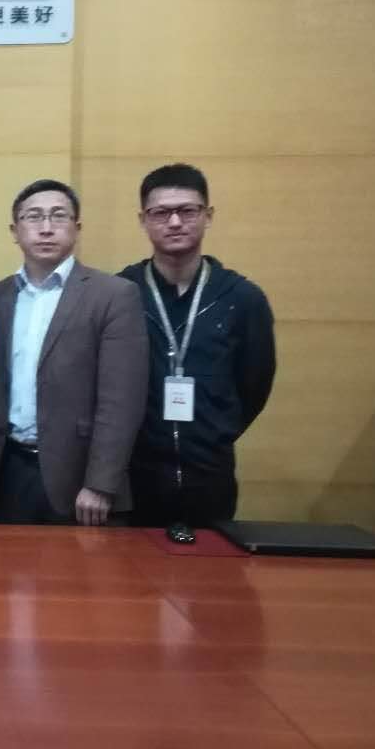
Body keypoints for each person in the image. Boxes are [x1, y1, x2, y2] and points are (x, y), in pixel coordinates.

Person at [0, 179, 148, 526]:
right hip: (8, 471)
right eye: (33, 217)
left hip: (79, 477)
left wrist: (101, 483)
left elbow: (122, 402)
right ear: (15, 231)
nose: (46, 228)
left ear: (77, 228)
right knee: (6, 561)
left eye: (58, 216)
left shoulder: (114, 296)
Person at [120, 163, 276, 528]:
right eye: (161, 213)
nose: (175, 222)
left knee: (207, 560)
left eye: (187, 211)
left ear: (208, 215)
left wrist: (215, 430)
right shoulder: (122, 293)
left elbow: (255, 384)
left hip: (210, 474)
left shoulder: (241, 298)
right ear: (143, 220)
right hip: (135, 474)